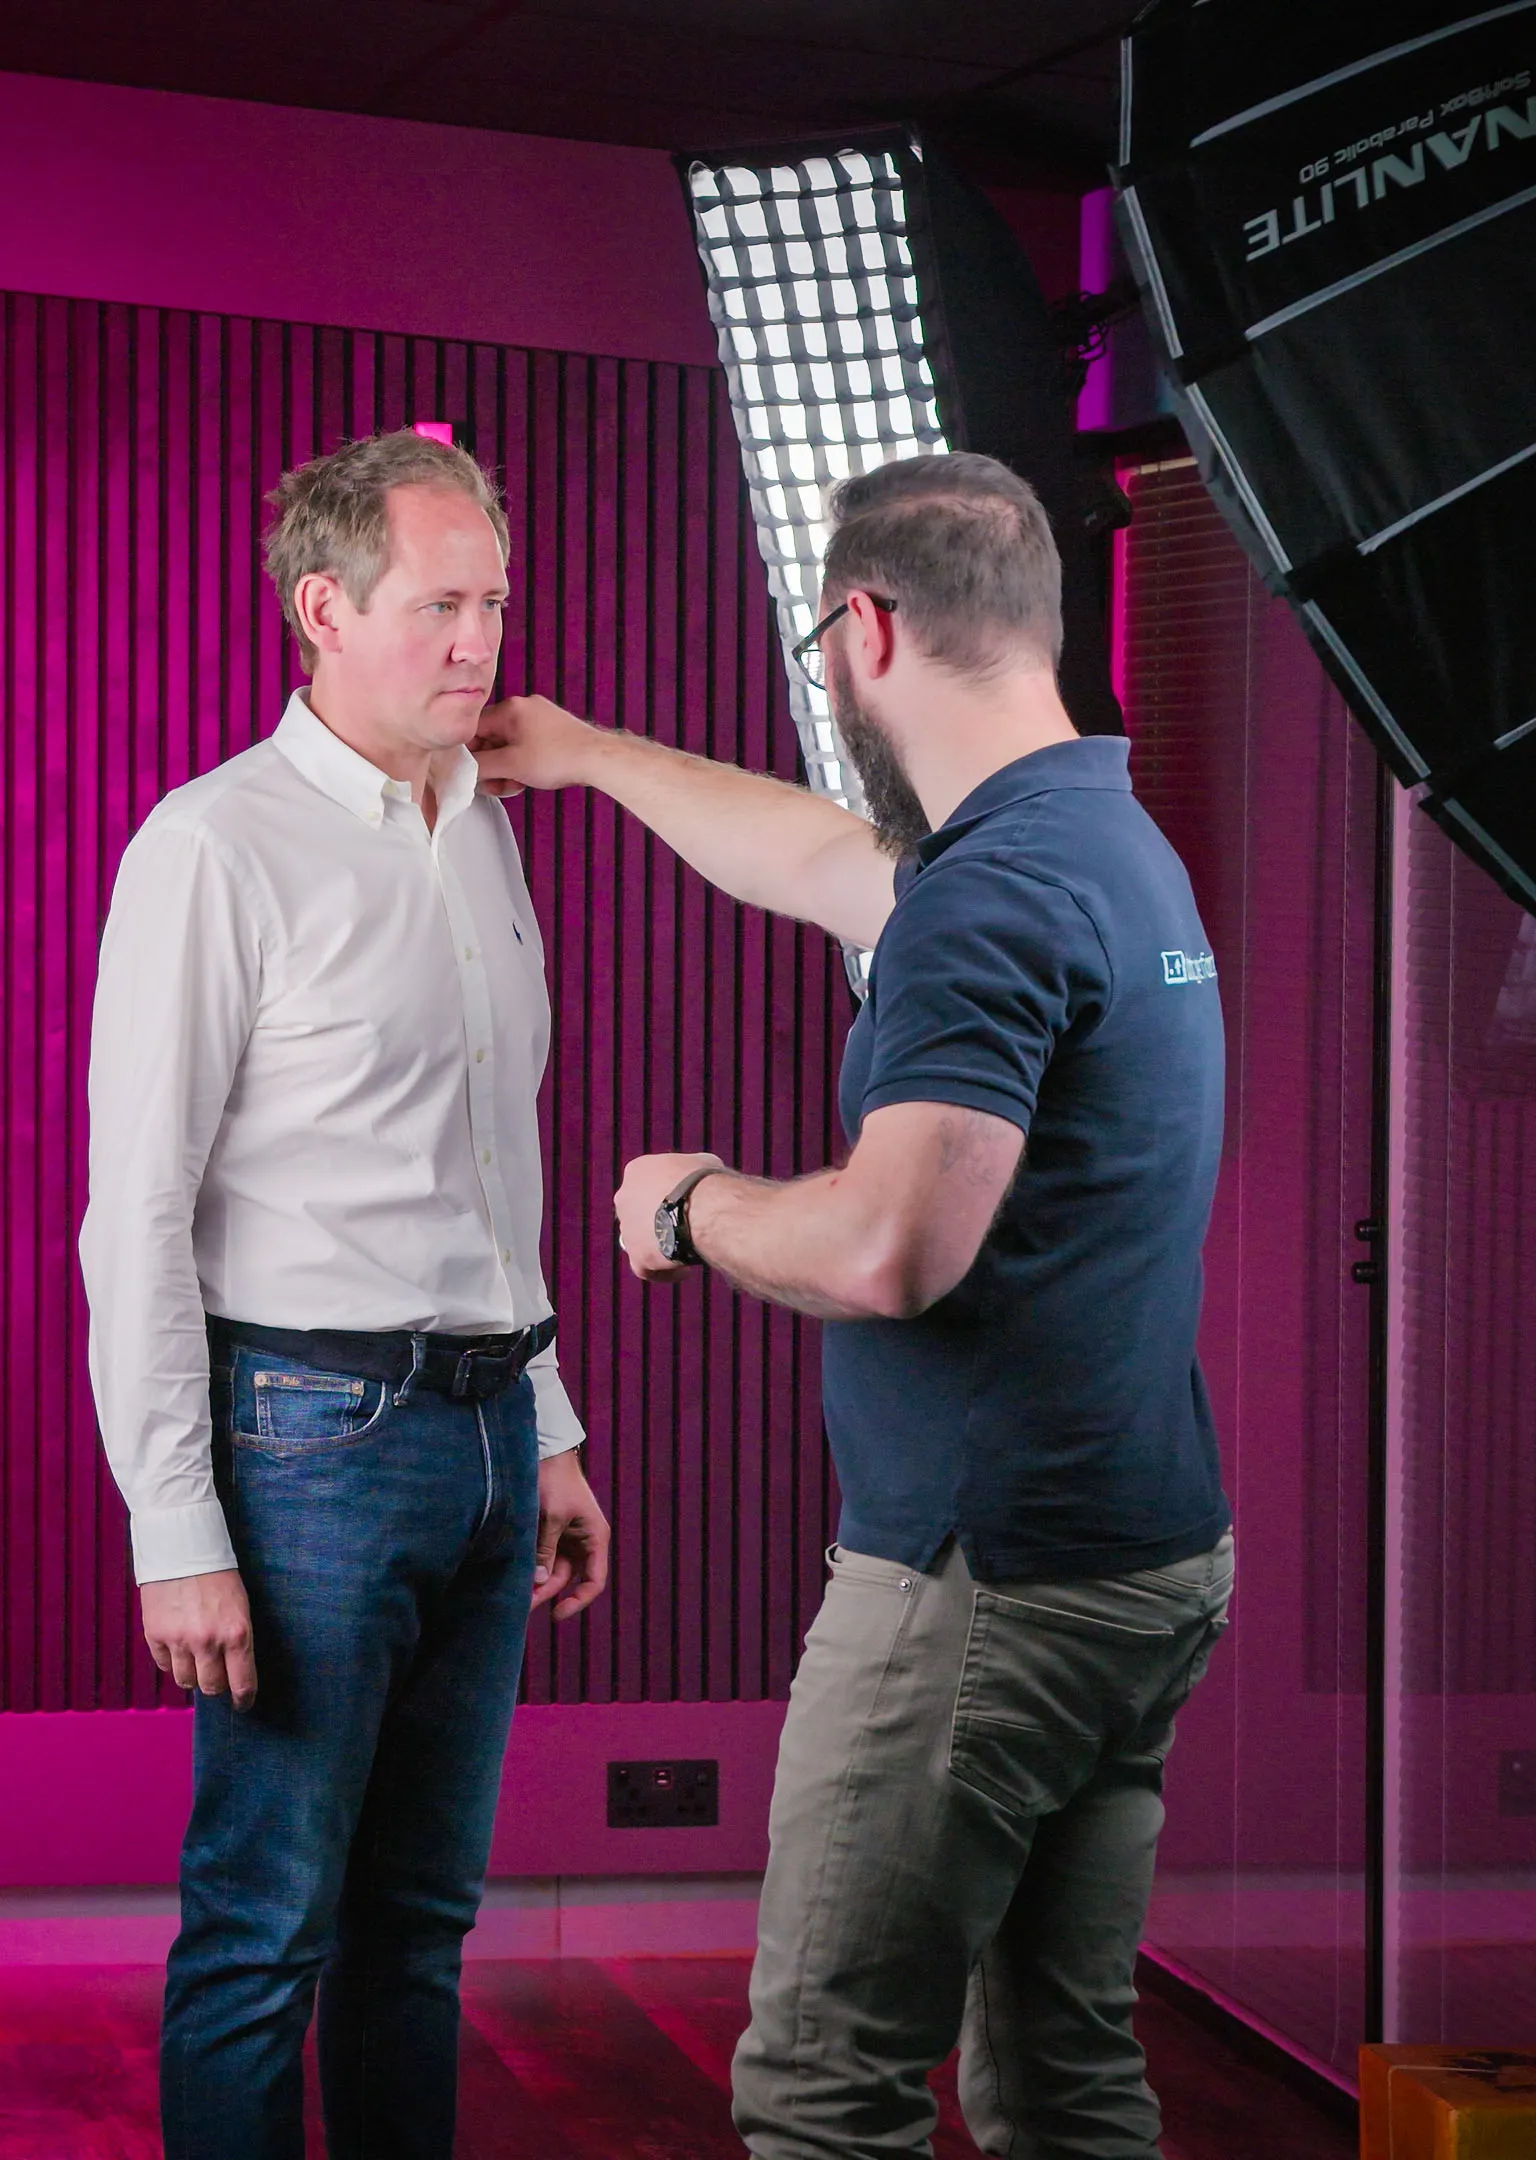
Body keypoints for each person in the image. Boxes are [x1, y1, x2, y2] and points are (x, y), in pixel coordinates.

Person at [475, 451, 1234, 2159]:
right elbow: (825, 854)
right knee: (1063, 2078)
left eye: (824, 634)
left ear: (867, 629)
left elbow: (895, 1249)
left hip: (987, 1585)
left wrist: (692, 1204)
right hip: (1143, 1562)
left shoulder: (990, 898)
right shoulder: (1106, 844)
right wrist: (591, 754)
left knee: (825, 2093)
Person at [80, 427, 616, 2160]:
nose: (480, 641)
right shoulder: (212, 846)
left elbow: (495, 1172)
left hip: (478, 1435)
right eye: (442, 604)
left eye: (496, 603)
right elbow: (134, 1214)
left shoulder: (482, 831)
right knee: (265, 1934)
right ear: (322, 606)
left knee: (423, 1935)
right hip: (305, 1438)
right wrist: (177, 1523)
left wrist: (546, 1428)